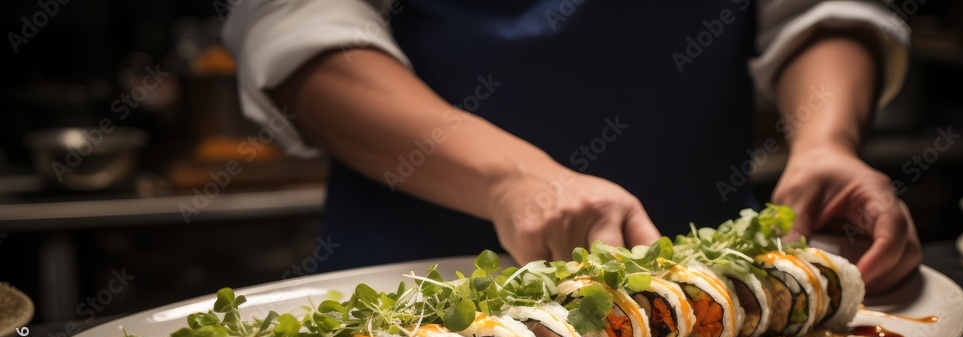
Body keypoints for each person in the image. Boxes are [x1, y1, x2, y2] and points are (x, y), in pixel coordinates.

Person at [223, 0, 921, 293]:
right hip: (407, 278)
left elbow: (822, 10)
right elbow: (293, 25)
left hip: (716, 282)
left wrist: (826, 144)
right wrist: (511, 179)